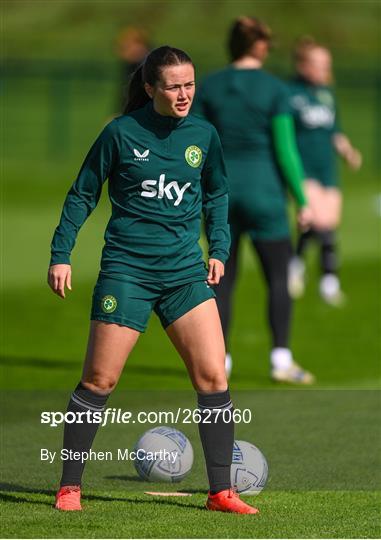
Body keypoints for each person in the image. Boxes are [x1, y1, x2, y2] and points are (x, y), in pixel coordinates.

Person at [48, 46, 259, 515]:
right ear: (149, 88)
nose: (184, 94)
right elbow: (83, 193)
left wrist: (219, 248)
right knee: (99, 380)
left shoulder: (204, 134)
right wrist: (61, 254)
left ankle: (221, 492)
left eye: (189, 84)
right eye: (173, 86)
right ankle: (69, 486)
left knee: (213, 377)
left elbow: (217, 193)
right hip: (127, 272)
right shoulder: (120, 134)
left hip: (184, 272)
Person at [193, 17, 314, 384]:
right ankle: (281, 359)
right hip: (265, 196)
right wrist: (302, 199)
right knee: (278, 277)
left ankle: (221, 362)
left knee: (221, 280)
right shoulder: (275, 90)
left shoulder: (210, 86)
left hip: (221, 196)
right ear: (260, 47)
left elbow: (195, 142)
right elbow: (286, 150)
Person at [287, 37, 362, 305]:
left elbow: (335, 132)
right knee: (319, 222)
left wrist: (348, 151)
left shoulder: (327, 94)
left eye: (326, 64)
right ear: (304, 65)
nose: (324, 69)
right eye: (319, 64)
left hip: (327, 169)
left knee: (325, 225)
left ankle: (299, 265)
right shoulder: (290, 94)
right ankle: (329, 282)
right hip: (304, 169)